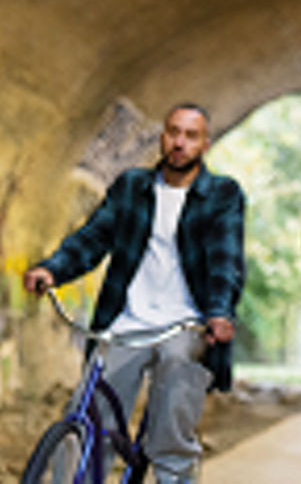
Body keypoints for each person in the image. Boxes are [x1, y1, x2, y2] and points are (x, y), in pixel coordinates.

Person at [23, 103, 245, 484]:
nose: (179, 142)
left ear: (204, 144)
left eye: (190, 136)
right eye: (173, 132)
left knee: (171, 426)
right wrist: (52, 269)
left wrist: (220, 312)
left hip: (187, 326)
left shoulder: (222, 194)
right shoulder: (131, 187)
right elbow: (92, 238)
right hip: (125, 323)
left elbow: (226, 262)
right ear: (162, 136)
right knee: (86, 422)